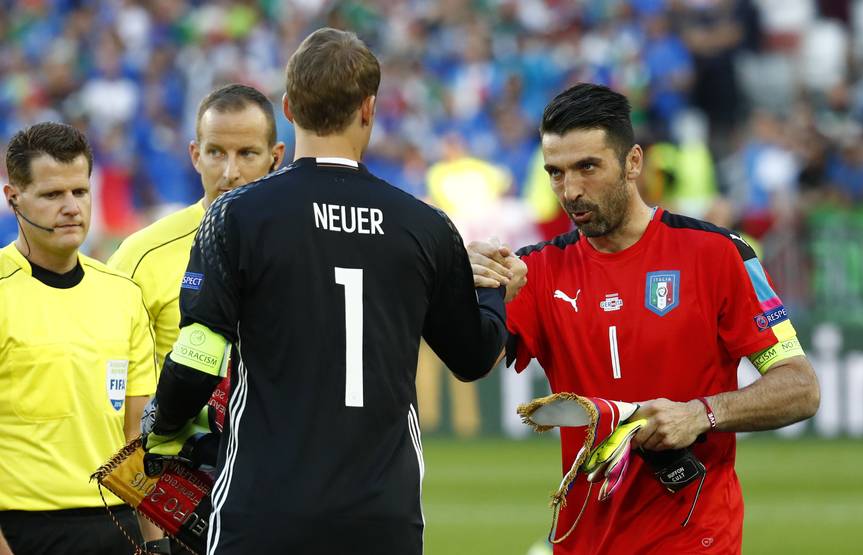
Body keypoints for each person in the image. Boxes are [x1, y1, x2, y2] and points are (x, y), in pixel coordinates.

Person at [143, 27, 508, 554]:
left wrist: (163, 425)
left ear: (288, 107)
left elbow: (199, 353)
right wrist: (494, 287)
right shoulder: (425, 225)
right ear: (369, 108)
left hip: (264, 507)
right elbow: (475, 357)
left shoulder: (236, 214)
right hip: (383, 514)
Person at [469, 84, 820, 554]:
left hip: (695, 537)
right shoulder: (535, 272)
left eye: (587, 167)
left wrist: (702, 413)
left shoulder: (719, 255)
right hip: (585, 541)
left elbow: (801, 386)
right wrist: (472, 287)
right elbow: (471, 360)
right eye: (556, 172)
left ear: (633, 162)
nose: (569, 190)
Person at [0, 122, 157, 554]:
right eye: (52, 195)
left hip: (115, 528)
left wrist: (155, 542)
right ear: (14, 199)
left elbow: (136, 440)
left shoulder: (123, 294)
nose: (71, 207)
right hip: (23, 530)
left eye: (80, 192)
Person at [108, 83, 286, 364]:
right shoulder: (140, 256)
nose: (230, 172)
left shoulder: (302, 249)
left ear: (276, 158)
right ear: (195, 156)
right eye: (216, 152)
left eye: (247, 154)